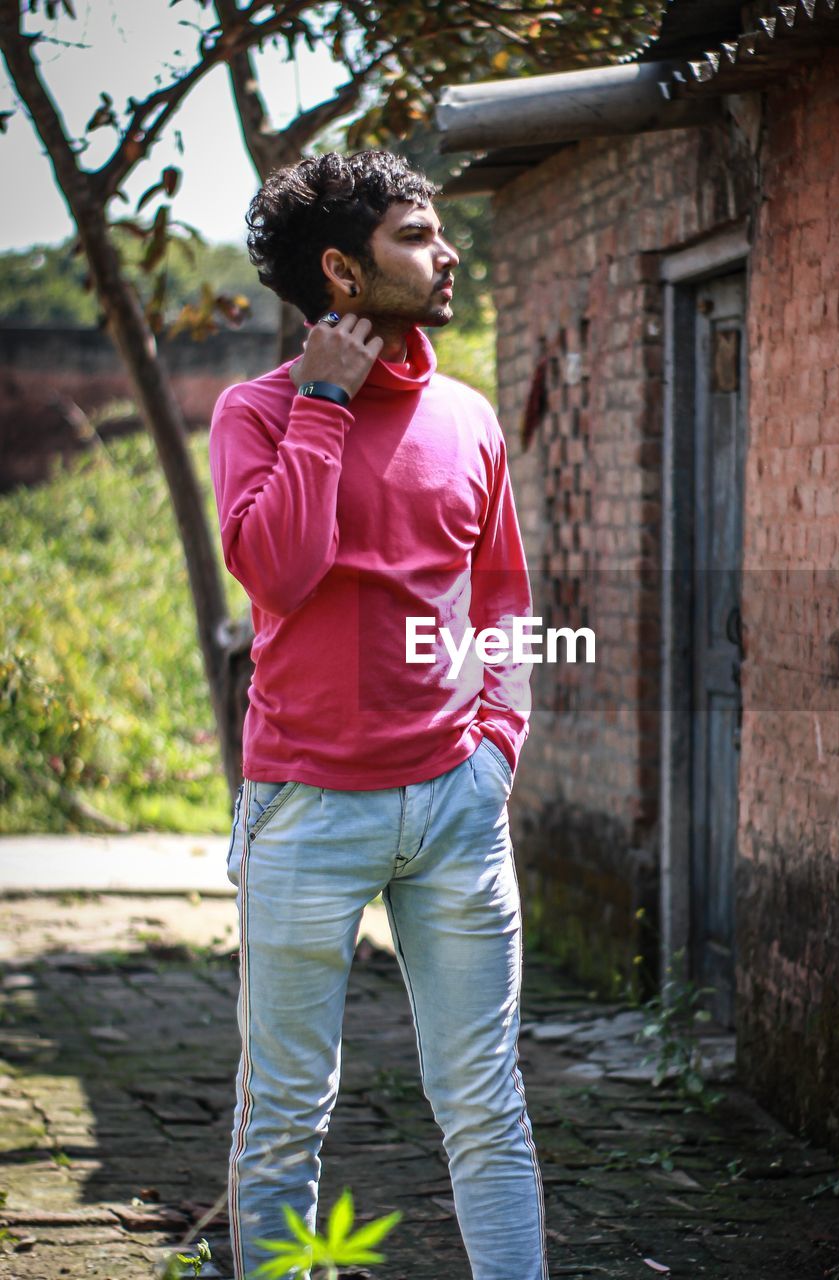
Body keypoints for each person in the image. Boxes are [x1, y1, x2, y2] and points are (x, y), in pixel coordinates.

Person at [208, 150, 546, 1280]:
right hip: (306, 813)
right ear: (343, 272)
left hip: (457, 806)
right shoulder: (255, 413)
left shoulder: (468, 417)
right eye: (415, 234)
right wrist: (321, 404)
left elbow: (502, 596)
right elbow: (280, 570)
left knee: (487, 1102)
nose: (444, 252)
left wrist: (497, 746)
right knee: (287, 1116)